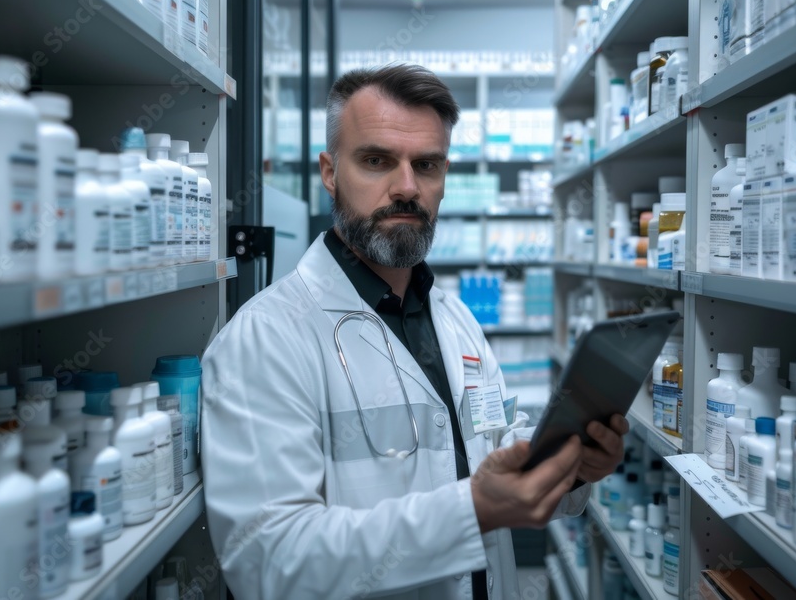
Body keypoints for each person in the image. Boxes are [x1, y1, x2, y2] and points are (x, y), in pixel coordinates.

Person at [200, 64, 629, 599]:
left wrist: (574, 467)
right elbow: (269, 562)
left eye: (426, 165)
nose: (406, 187)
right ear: (330, 173)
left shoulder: (456, 320)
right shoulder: (264, 339)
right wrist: (472, 510)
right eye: (377, 160)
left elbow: (493, 447)